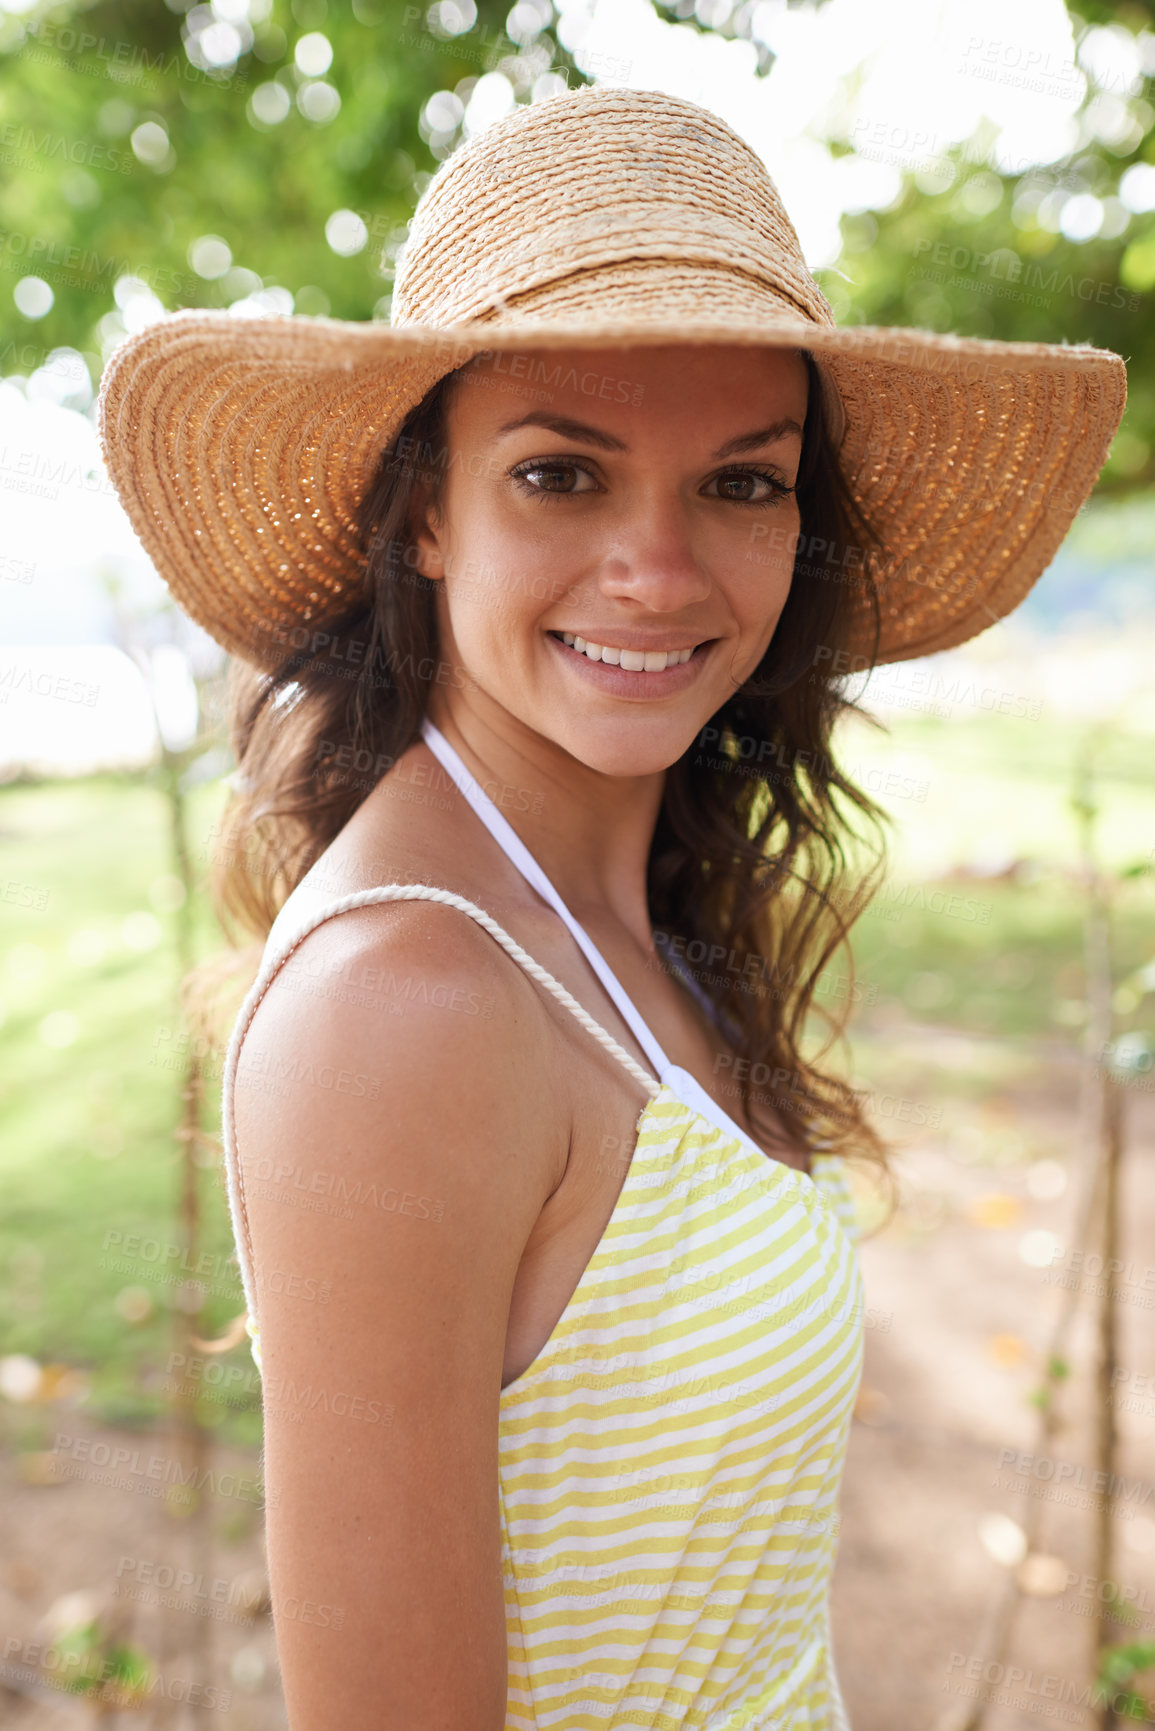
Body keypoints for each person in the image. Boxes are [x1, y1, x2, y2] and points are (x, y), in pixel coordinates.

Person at [97, 83, 1125, 1731]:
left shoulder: (622, 907)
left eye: (743, 484)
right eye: (564, 476)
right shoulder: (406, 1004)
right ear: (425, 512)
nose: (660, 567)